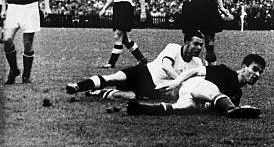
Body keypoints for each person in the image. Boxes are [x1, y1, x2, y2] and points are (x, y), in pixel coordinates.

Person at [66, 33, 206, 98]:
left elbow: (200, 83)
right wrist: (179, 82)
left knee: (129, 96)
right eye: (196, 44)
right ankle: (78, 86)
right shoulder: (173, 48)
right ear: (186, 42)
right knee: (114, 78)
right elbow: (166, 67)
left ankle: (98, 92)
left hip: (153, 86)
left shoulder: (198, 63)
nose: (199, 48)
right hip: (144, 71)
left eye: (201, 45)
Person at [126, 54, 265, 119]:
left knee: (184, 108)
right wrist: (176, 81)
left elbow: (215, 110)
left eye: (260, 72)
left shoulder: (237, 94)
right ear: (244, 67)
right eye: (254, 69)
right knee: (211, 90)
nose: (257, 74)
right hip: (194, 85)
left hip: (191, 96)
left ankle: (139, 108)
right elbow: (196, 70)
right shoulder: (225, 72)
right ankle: (233, 110)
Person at [98, 0, 147, 68]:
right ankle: (142, 59)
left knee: (118, 34)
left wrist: (143, 11)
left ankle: (111, 63)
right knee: (124, 38)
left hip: (126, 7)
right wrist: (104, 8)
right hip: (117, 7)